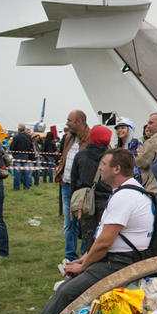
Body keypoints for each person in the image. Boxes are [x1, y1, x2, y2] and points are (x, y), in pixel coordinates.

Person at [0, 148, 154, 314]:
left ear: (117, 169)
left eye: (104, 164)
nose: (100, 168)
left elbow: (105, 242)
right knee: (65, 290)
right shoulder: (130, 191)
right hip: (117, 259)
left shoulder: (125, 196)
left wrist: (84, 266)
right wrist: (84, 259)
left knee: (66, 292)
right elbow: (107, 238)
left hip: (119, 264)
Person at [70, 126, 113, 252]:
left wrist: (75, 198)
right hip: (107, 200)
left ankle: (87, 263)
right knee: (105, 237)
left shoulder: (80, 155)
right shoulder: (113, 157)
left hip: (85, 201)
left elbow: (74, 180)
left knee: (87, 237)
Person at [55, 110, 90, 261]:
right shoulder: (69, 137)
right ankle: (70, 255)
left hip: (82, 188)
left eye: (69, 120)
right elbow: (65, 156)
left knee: (84, 221)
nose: (67, 123)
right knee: (69, 222)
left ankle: (84, 255)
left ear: (79, 122)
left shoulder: (91, 138)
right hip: (67, 184)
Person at [9, 124, 34, 190]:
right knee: (26, 172)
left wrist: (13, 153)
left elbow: (12, 147)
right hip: (26, 156)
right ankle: (27, 186)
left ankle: (16, 187)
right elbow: (31, 146)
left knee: (17, 173)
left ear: (19, 129)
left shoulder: (16, 137)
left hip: (17, 156)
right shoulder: (28, 137)